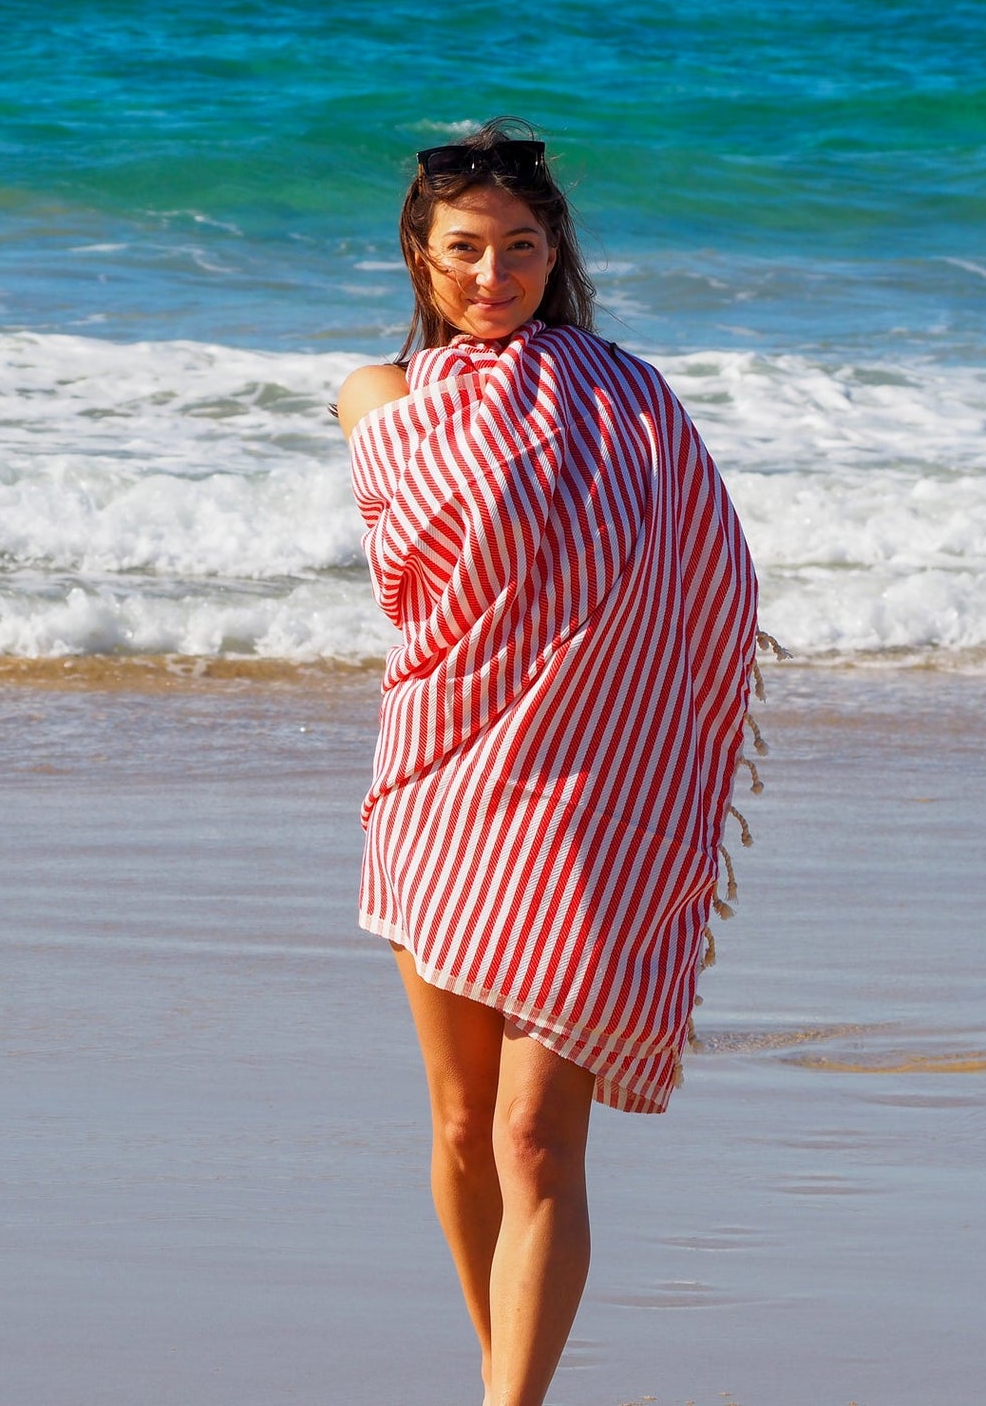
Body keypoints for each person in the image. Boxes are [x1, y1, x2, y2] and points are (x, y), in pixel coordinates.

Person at [337, 118, 761, 1406]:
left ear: (556, 250)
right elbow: (418, 584)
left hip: (594, 794)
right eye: (465, 249)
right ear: (420, 257)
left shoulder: (632, 395)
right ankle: (502, 1379)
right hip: (446, 778)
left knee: (533, 1136)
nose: (494, 275)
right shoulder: (381, 394)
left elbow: (705, 576)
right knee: (464, 1124)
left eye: (521, 247)